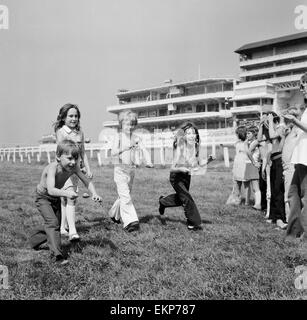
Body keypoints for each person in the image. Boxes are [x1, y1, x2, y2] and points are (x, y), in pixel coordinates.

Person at [28, 140, 102, 265]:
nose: (73, 162)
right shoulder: (52, 168)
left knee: (53, 224)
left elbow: (86, 181)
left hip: (55, 198)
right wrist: (68, 193)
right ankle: (56, 256)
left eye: (76, 158)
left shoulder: (73, 168)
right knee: (53, 223)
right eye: (69, 158)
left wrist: (94, 193)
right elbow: (51, 190)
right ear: (58, 157)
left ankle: (33, 240)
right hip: (43, 198)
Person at [158, 122, 213, 231]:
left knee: (181, 199)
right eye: (188, 133)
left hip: (186, 176)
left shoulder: (195, 147)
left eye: (193, 133)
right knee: (187, 198)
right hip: (176, 177)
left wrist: (209, 160)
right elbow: (172, 168)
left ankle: (163, 202)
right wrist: (181, 169)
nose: (191, 135)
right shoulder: (180, 148)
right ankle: (193, 223)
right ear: (183, 136)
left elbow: (199, 163)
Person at [108, 110, 152, 232]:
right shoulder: (118, 137)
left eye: (132, 124)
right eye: (127, 124)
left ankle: (114, 214)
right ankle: (130, 221)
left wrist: (148, 161)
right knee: (126, 196)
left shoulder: (136, 138)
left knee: (124, 195)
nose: (130, 127)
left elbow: (144, 150)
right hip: (120, 170)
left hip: (131, 171)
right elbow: (113, 152)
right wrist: (126, 148)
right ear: (121, 124)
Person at [54, 103, 93, 241]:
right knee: (68, 197)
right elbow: (63, 151)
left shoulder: (80, 133)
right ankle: (72, 231)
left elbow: (83, 152)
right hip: (65, 169)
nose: (74, 118)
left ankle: (63, 227)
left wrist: (87, 168)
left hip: (76, 169)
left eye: (76, 116)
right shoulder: (61, 132)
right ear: (64, 117)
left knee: (68, 197)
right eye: (70, 116)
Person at [284, 102, 307, 246]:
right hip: (300, 158)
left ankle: (303, 237)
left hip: (305, 159)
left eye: (304, 85)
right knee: (293, 194)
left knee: (305, 198)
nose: (302, 88)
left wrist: (294, 121)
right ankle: (293, 233)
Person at [266, 112, 287, 229]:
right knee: (274, 189)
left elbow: (272, 136)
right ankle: (274, 216)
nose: (269, 126)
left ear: (276, 122)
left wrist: (270, 120)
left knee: (278, 189)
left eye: (270, 123)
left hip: (279, 160)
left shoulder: (281, 128)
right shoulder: (275, 129)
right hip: (274, 160)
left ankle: (280, 218)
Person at [280, 107, 300, 222]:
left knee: (290, 195)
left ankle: (291, 222)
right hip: (286, 167)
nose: (285, 122)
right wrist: (283, 136)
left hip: (293, 166)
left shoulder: (297, 130)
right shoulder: (288, 132)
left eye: (288, 119)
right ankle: (290, 221)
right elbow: (280, 148)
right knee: (288, 195)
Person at [230, 125, 256, 206]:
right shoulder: (237, 143)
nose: (236, 135)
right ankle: (237, 200)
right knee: (237, 183)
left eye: (237, 134)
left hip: (244, 166)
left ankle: (247, 202)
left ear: (240, 134)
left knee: (246, 184)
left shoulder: (248, 143)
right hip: (237, 165)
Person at [246, 126, 261, 210]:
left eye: (249, 133)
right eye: (246, 133)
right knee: (253, 186)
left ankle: (258, 204)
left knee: (255, 186)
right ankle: (257, 202)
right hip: (250, 164)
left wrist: (254, 162)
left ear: (254, 134)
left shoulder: (255, 142)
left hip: (252, 165)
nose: (247, 135)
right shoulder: (251, 142)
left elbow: (248, 152)